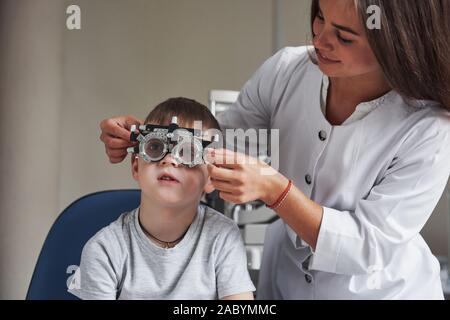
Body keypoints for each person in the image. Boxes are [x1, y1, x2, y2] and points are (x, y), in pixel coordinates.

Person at [99, 0, 450, 299]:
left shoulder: (430, 129)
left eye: (343, 36)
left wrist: (276, 192)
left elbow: (366, 246)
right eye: (320, 18)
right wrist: (149, 136)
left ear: (396, 43)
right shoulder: (288, 70)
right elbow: (220, 142)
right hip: (286, 284)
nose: (320, 40)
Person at [70, 97, 255, 300]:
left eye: (188, 151)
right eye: (155, 147)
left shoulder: (223, 237)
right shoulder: (105, 249)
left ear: (211, 178)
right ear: (135, 167)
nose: (169, 159)